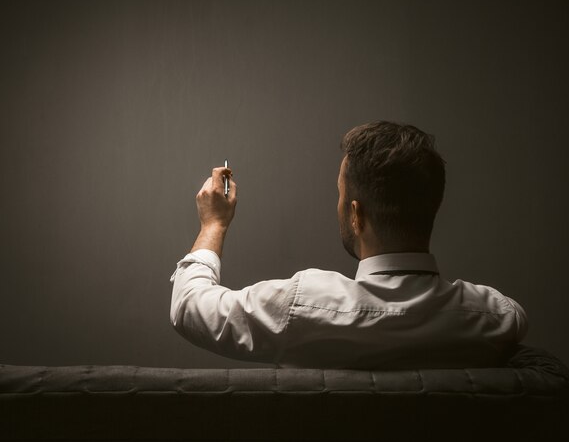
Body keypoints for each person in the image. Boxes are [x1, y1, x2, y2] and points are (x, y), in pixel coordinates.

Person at [170, 121, 528, 368]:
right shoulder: (497, 318)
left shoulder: (302, 306)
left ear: (356, 215)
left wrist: (214, 224)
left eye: (340, 196)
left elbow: (189, 307)